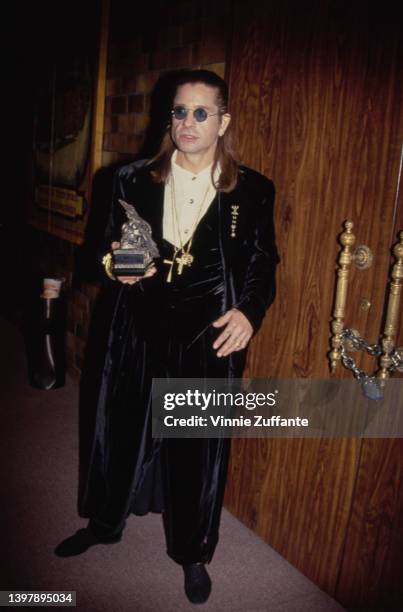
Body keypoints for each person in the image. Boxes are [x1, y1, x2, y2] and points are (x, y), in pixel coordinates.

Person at [55, 70, 279, 604]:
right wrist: (115, 265)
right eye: (180, 111)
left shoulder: (253, 190)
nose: (188, 122)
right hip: (136, 326)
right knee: (119, 428)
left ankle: (192, 551)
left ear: (223, 122)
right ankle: (104, 524)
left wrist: (250, 310)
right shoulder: (129, 179)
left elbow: (262, 263)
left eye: (202, 112)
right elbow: (96, 254)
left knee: (197, 450)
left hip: (208, 334)